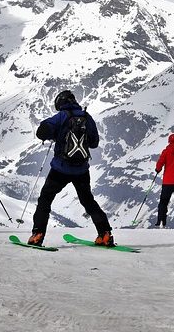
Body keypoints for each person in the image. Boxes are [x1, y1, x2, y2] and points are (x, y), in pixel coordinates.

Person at [28, 90, 114, 247]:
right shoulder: (87, 117)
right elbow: (94, 143)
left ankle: (38, 234)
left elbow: (42, 132)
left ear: (61, 103)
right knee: (88, 201)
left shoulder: (61, 116)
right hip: (81, 170)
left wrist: (55, 134)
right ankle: (105, 234)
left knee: (45, 199)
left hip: (60, 169)